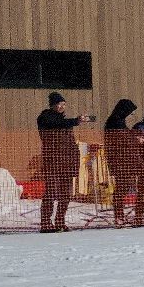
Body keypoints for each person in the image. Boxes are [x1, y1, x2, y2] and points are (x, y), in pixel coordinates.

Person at [37, 92, 89, 232]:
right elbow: (56, 123)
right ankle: (46, 223)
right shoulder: (45, 118)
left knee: (65, 194)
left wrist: (74, 159)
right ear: (53, 104)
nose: (62, 106)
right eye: (59, 104)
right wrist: (75, 121)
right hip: (53, 162)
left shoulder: (64, 121)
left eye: (64, 104)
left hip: (67, 162)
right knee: (51, 192)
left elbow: (70, 141)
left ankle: (60, 221)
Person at [102, 100, 139, 224]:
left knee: (124, 188)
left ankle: (120, 215)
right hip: (120, 161)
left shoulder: (118, 121)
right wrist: (135, 139)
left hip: (125, 161)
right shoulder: (115, 121)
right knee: (121, 188)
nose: (130, 114)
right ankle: (119, 216)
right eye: (129, 112)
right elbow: (122, 139)